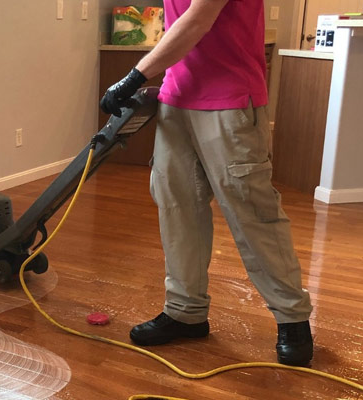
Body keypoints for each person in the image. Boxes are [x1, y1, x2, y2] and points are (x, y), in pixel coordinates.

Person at [100, 0, 313, 367]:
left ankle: (292, 317)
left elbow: (198, 20)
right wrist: (161, 82)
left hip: (229, 102)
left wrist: (134, 76)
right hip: (177, 99)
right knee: (177, 208)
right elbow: (177, 26)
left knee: (253, 214)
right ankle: (186, 311)